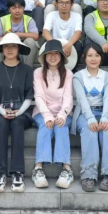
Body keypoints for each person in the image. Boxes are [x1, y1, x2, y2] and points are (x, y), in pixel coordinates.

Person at [0, 33, 34, 193]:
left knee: (17, 123)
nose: (10, 49)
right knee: (2, 124)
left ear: (19, 49)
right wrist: (1, 110)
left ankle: (17, 172)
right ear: (2, 49)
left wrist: (19, 112)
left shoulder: (27, 70)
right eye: (6, 46)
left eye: (13, 46)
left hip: (22, 112)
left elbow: (29, 95)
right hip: (0, 111)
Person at [71, 42, 108, 192]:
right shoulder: (78, 76)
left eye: (97, 55)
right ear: (84, 58)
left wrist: (105, 117)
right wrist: (90, 118)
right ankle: (88, 175)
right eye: (90, 55)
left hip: (103, 112)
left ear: (101, 58)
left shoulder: (107, 77)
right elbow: (81, 100)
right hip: (84, 114)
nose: (93, 59)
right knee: (90, 130)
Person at [31, 40, 74, 189]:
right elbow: (39, 96)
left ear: (62, 56)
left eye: (56, 53)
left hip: (63, 112)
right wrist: (47, 115)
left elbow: (68, 98)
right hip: (42, 112)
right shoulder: (38, 73)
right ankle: (38, 168)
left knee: (61, 126)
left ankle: (66, 169)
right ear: (44, 56)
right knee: (46, 125)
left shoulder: (68, 74)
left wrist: (62, 115)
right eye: (49, 54)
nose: (53, 57)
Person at [0, 0, 39, 67]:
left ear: (24, 8)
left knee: (30, 41)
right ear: (9, 9)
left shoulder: (29, 20)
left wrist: (16, 34)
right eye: (14, 8)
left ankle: (27, 69)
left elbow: (35, 36)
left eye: (20, 8)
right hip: (8, 45)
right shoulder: (2, 20)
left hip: (23, 47)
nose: (17, 11)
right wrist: (7, 37)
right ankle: (0, 68)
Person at [43, 0, 83, 64]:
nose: (64, 6)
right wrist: (56, 45)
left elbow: (78, 33)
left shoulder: (77, 16)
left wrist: (69, 45)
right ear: (56, 4)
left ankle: (74, 67)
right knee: (46, 43)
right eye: (61, 2)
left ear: (72, 4)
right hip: (55, 43)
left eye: (67, 3)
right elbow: (45, 32)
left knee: (78, 45)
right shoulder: (51, 15)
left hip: (70, 44)